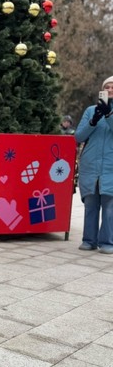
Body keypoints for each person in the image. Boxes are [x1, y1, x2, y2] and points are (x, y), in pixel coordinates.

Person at [75, 75, 113, 254]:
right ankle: (89, 239)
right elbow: (79, 136)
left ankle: (107, 241)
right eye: (107, 87)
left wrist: (109, 115)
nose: (110, 90)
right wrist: (93, 121)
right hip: (91, 165)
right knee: (91, 204)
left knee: (109, 205)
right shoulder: (91, 110)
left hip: (110, 167)